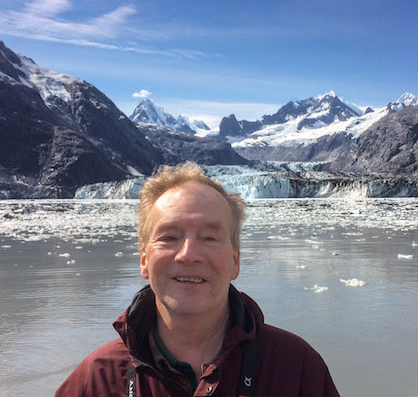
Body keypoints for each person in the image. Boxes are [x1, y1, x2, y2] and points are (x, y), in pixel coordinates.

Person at [56, 162, 340, 397]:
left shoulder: (296, 369)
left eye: (210, 238)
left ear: (235, 261)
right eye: (169, 237)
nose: (188, 254)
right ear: (144, 259)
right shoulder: (97, 380)